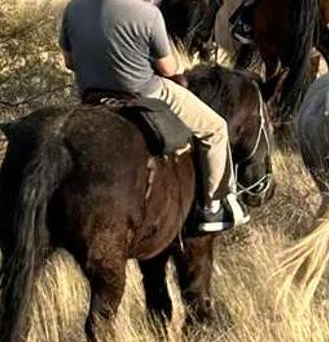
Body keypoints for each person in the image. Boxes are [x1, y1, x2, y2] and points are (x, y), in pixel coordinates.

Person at [60, 0, 249, 233]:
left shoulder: (73, 8)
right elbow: (169, 70)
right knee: (215, 127)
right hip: (143, 92)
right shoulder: (148, 13)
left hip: (91, 93)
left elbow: (69, 62)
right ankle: (213, 207)